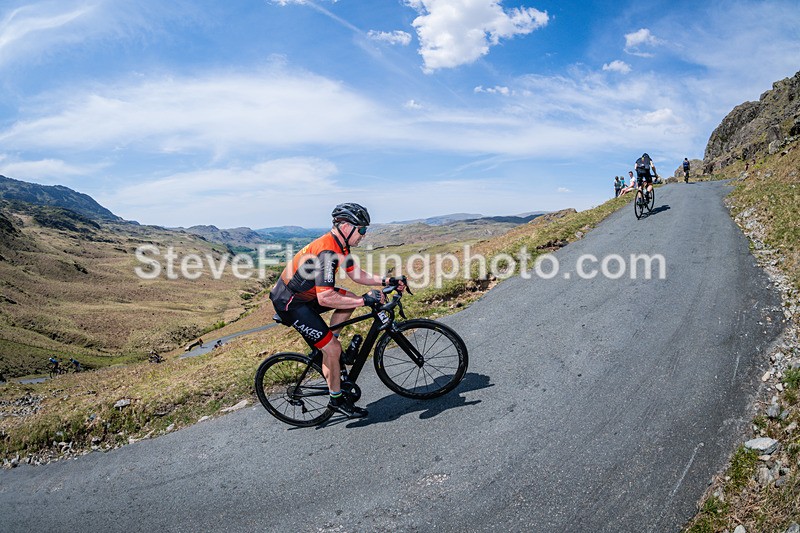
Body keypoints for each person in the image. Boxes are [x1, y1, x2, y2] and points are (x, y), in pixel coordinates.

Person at [269, 202, 406, 419]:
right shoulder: (327, 251)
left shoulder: (340, 246)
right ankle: (336, 399)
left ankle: (330, 350)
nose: (363, 234)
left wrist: (387, 280)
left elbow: (357, 275)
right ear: (344, 226)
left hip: (306, 295)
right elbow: (326, 297)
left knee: (348, 298)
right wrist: (364, 301)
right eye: (361, 229)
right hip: (291, 304)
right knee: (332, 348)